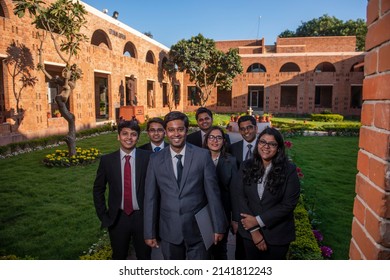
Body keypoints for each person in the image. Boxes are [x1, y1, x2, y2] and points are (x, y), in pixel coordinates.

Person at [144, 111, 227, 260]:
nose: (176, 134)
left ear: (186, 131)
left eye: (180, 129)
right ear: (165, 132)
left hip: (199, 230)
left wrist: (218, 226)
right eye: (171, 130)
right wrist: (149, 232)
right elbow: (150, 198)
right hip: (169, 230)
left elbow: (213, 194)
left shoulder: (202, 156)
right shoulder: (155, 159)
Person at [232, 127, 300, 260]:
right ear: (258, 144)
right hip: (249, 235)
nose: (266, 147)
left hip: (277, 235)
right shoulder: (246, 166)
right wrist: (254, 230)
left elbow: (288, 204)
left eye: (272, 144)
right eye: (262, 142)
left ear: (279, 148)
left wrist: (257, 221)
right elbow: (240, 197)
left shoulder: (289, 170)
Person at [93, 120, 152, 260]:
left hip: (142, 217)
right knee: (119, 256)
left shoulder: (148, 158)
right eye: (125, 134)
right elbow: (98, 189)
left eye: (133, 134)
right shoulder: (107, 160)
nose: (129, 138)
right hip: (118, 218)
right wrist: (104, 216)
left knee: (145, 257)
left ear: (138, 137)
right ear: (118, 136)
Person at [203, 126, 238, 260]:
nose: (215, 141)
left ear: (223, 141)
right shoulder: (198, 158)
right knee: (203, 251)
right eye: (211, 137)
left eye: (219, 138)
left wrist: (235, 218)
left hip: (222, 212)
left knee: (220, 250)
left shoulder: (231, 161)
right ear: (206, 141)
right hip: (202, 212)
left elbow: (235, 192)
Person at [228, 114, 258, 259]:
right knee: (241, 251)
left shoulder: (264, 146)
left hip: (260, 206)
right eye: (242, 129)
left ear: (256, 128)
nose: (246, 132)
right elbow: (233, 186)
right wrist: (234, 217)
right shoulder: (233, 149)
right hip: (241, 207)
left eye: (249, 128)